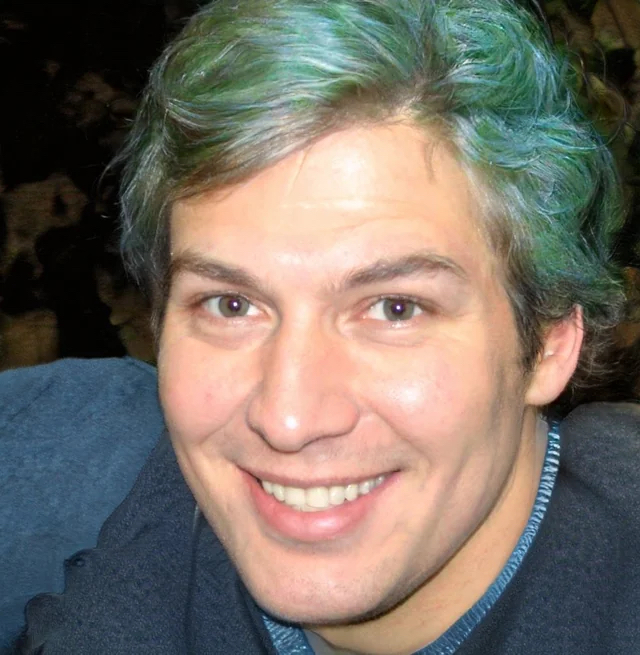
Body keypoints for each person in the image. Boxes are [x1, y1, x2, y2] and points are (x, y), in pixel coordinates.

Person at [9, 0, 640, 653]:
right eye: (231, 305)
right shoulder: (131, 581)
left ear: (549, 340)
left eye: (395, 308)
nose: (287, 419)